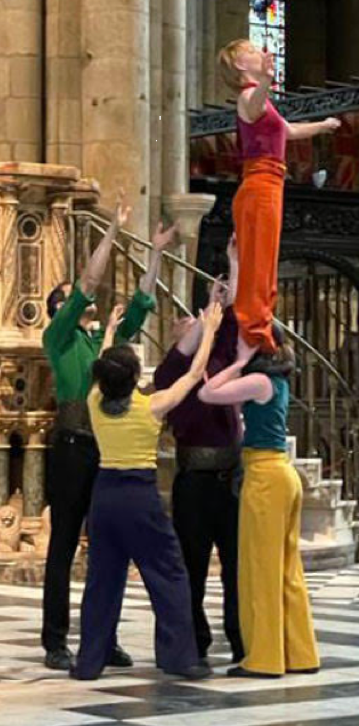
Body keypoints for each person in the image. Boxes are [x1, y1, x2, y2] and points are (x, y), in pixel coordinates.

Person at [42, 191, 176, 671]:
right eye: (73, 298)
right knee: (61, 546)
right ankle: (55, 640)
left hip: (106, 452)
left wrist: (157, 250)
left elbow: (144, 298)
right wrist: (116, 230)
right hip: (71, 450)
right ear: (61, 307)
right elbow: (90, 278)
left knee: (107, 553)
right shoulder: (58, 338)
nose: (88, 299)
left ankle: (103, 639)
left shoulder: (106, 341)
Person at [71, 303, 223, 681]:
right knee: (168, 574)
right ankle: (180, 658)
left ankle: (90, 661)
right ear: (137, 376)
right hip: (139, 496)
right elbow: (193, 374)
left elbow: (102, 366)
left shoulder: (94, 402)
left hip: (104, 497)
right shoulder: (152, 406)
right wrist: (211, 330)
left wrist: (108, 329)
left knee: (102, 580)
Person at [199, 326, 320, 678]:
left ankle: (265, 658)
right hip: (281, 473)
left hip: (266, 476)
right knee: (286, 571)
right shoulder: (275, 381)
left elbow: (208, 392)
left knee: (261, 571)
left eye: (243, 338)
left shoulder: (259, 382)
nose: (236, 341)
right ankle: (300, 653)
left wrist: (238, 361)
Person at [218, 39, 341, 354]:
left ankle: (258, 330)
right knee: (259, 263)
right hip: (259, 183)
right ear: (240, 65)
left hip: (269, 183)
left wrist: (324, 126)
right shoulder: (247, 97)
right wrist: (266, 81)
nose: (259, 52)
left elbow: (289, 130)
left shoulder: (260, 99)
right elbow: (256, 104)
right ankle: (254, 334)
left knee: (266, 261)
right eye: (251, 51)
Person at [154, 236, 244, 665]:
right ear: (176, 336)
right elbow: (192, 346)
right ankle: (195, 642)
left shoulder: (221, 356)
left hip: (228, 479)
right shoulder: (170, 372)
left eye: (195, 318)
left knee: (236, 569)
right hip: (192, 482)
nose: (192, 321)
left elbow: (234, 314)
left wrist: (233, 262)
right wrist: (208, 315)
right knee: (191, 568)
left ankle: (241, 638)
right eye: (184, 321)